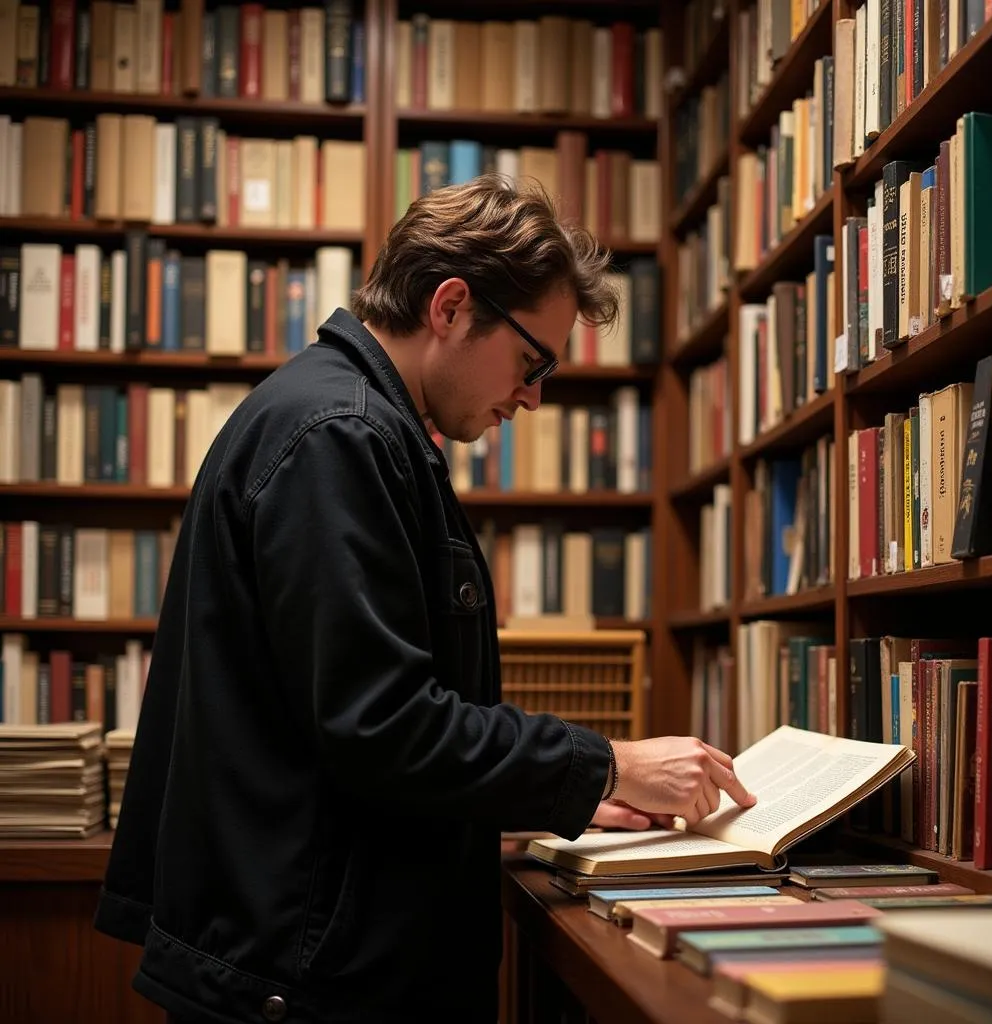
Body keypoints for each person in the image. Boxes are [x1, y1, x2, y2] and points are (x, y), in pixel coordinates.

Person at [94, 174, 756, 1024]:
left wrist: (553, 794)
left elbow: (361, 723)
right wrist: (608, 764)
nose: (533, 396)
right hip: (309, 980)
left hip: (309, 957)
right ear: (450, 306)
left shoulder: (352, 423)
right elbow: (383, 726)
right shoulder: (342, 434)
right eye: (532, 360)